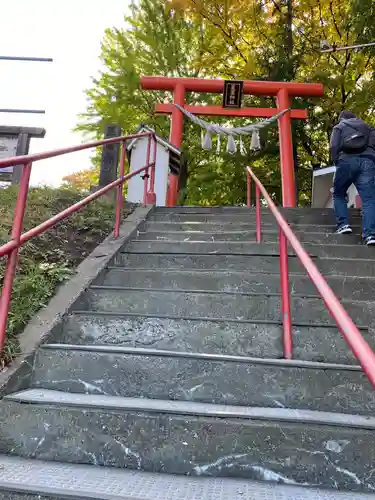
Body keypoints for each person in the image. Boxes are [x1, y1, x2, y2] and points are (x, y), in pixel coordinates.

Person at [330, 110, 375, 246]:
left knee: (338, 193)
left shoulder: (339, 127)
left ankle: (344, 225)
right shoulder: (367, 127)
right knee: (369, 199)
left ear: (341, 118)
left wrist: (336, 161)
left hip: (346, 160)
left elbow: (334, 146)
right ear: (355, 117)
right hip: (368, 161)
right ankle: (370, 235)